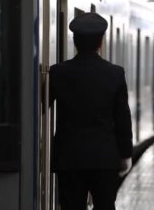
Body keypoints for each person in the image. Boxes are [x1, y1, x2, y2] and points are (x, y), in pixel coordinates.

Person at [49, 12, 133, 210]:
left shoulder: (58, 72)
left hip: (69, 159)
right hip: (105, 159)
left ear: (75, 41)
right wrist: (126, 154)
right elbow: (122, 118)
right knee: (105, 206)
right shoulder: (115, 73)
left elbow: (43, 107)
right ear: (100, 42)